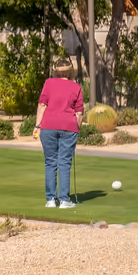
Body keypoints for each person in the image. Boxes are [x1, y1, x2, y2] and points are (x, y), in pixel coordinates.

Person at [36, 63, 84, 208]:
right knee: (64, 163)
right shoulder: (76, 87)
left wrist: (37, 125)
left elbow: (42, 105)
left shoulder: (48, 83)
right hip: (68, 127)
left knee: (50, 162)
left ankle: (51, 200)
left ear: (55, 72)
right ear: (71, 72)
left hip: (48, 126)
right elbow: (79, 113)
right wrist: (77, 129)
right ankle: (64, 200)